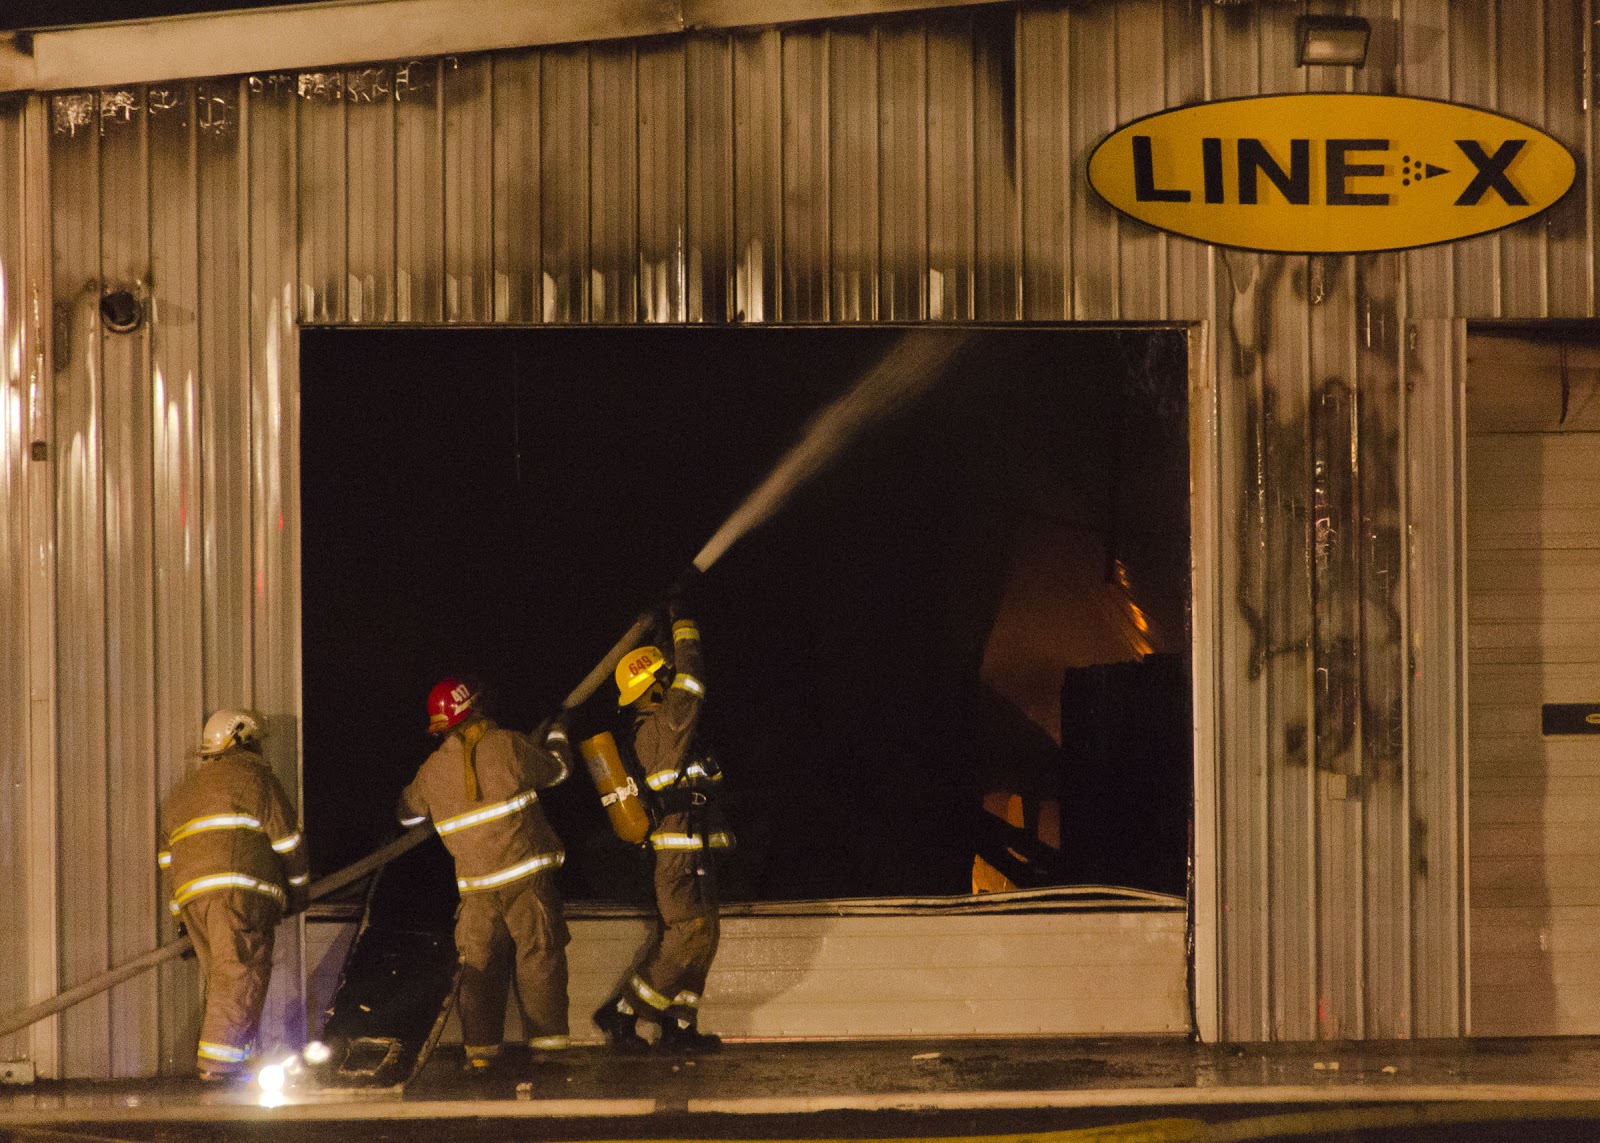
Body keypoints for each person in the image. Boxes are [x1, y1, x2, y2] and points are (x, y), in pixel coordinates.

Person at [397, 678, 574, 1073]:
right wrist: (559, 732)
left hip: (476, 892)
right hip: (526, 880)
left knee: (479, 968)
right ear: (475, 708)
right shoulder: (508, 744)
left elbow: (407, 815)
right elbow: (559, 771)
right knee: (539, 957)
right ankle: (549, 1052)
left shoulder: (431, 771)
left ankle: (480, 1055)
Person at [592, 604, 733, 1053]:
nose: (672, 681)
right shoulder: (662, 727)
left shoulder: (666, 730)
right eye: (665, 677)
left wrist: (662, 634)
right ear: (654, 687)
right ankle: (623, 1011)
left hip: (694, 849)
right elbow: (691, 683)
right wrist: (683, 625)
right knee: (687, 933)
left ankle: (680, 1024)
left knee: (705, 936)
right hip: (676, 855)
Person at [158, 709, 309, 1082]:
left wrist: (180, 917)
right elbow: (288, 841)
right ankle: (219, 1068)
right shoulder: (256, 779)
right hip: (238, 895)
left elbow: (167, 860)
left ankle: (236, 1059)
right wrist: (299, 891)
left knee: (224, 980)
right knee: (241, 974)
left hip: (193, 901)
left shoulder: (182, 792)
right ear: (244, 741)